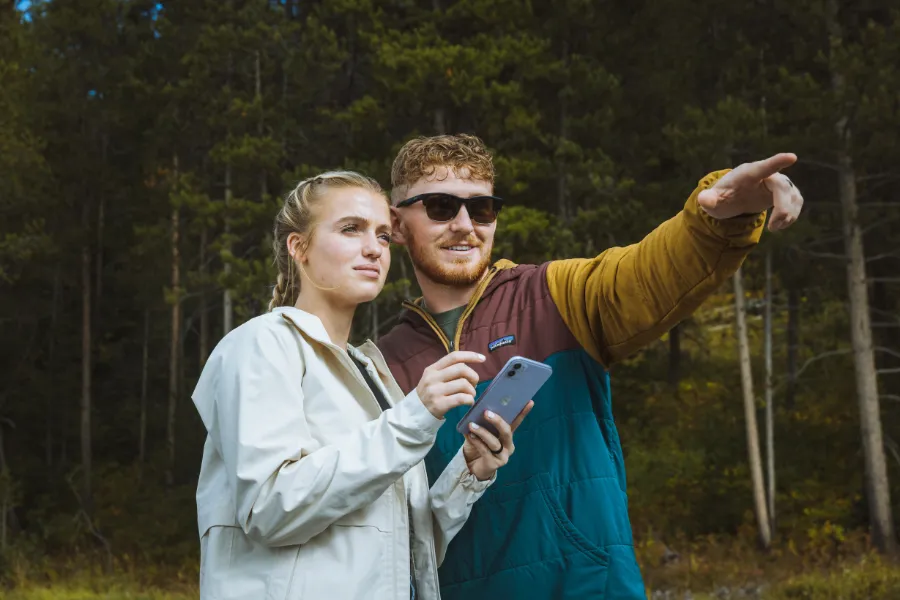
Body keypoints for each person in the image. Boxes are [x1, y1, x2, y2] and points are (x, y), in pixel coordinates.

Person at [376, 134, 804, 599]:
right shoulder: (381, 365)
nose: (465, 225)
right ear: (397, 224)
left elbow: (652, 270)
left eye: (482, 209)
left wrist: (720, 218)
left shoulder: (557, 295)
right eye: (441, 207)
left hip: (585, 587)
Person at [190, 171, 531, 600]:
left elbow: (405, 546)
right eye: (351, 229)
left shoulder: (371, 371)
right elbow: (270, 507)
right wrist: (414, 417)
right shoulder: (261, 344)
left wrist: (470, 470)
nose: (373, 248)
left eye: (384, 236)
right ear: (300, 248)